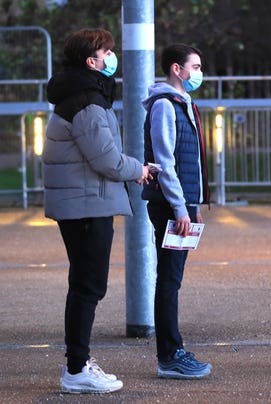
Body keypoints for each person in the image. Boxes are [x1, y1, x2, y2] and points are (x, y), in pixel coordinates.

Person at [43, 28, 151, 393]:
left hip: (83, 202)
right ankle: (76, 369)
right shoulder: (88, 101)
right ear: (92, 61)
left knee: (85, 285)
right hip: (87, 205)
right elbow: (105, 158)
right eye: (107, 52)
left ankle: (78, 364)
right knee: (88, 286)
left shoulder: (79, 95)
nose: (112, 57)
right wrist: (139, 169)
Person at [141, 43, 211, 379]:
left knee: (172, 279)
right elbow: (165, 162)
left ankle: (173, 351)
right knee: (168, 280)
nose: (199, 72)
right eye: (194, 66)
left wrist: (193, 206)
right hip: (168, 205)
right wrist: (180, 207)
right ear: (176, 69)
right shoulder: (165, 106)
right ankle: (169, 355)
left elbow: (190, 163)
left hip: (180, 204)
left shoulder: (182, 104)